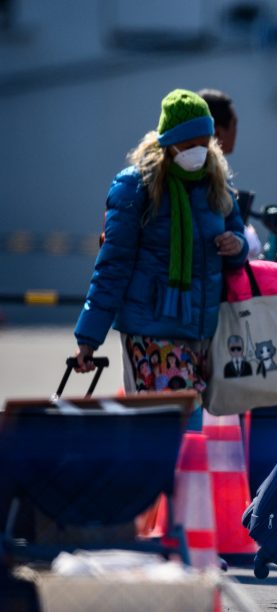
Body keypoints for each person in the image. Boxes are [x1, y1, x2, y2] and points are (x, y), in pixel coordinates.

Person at [73, 88, 248, 411]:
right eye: (190, 143)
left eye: (204, 143)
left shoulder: (216, 182)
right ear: (170, 141)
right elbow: (113, 264)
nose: (199, 151)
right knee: (177, 421)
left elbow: (238, 234)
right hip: (151, 328)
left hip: (200, 331)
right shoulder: (136, 185)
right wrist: (89, 338)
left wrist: (236, 245)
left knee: (177, 425)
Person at [198, 88, 262, 258]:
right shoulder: (204, 176)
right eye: (235, 124)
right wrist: (247, 239)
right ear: (217, 132)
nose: (237, 132)